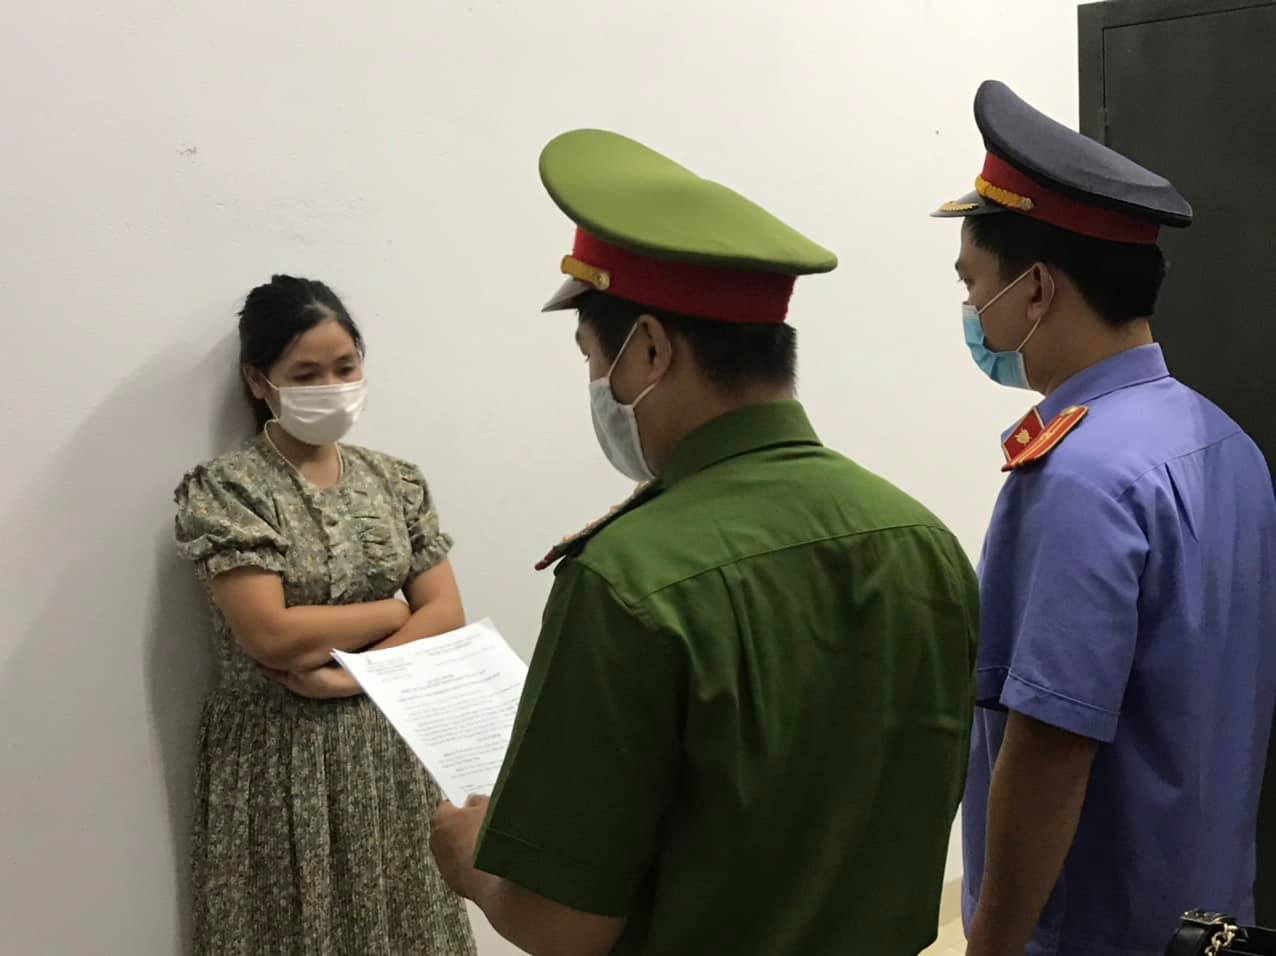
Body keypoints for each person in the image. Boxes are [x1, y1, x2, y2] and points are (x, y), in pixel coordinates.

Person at [430, 129, 980, 955]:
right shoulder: (922, 539)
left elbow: (566, 925)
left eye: (594, 357)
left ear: (651, 348)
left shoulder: (628, 580)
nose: (598, 385)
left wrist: (471, 861)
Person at [933, 80, 1276, 956]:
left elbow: (1050, 748)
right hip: (1206, 920)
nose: (970, 309)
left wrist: (991, 945)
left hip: (1091, 932)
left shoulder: (1078, 476)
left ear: (1036, 290)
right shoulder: (1224, 443)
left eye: (973, 283)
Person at [173, 275, 476, 955]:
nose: (332, 386)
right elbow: (272, 635)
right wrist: (391, 609)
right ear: (259, 381)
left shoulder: (396, 481)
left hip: (391, 748)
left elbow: (446, 612)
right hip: (279, 761)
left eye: (345, 367)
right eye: (306, 374)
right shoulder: (230, 488)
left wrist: (351, 676)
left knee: (406, 924)